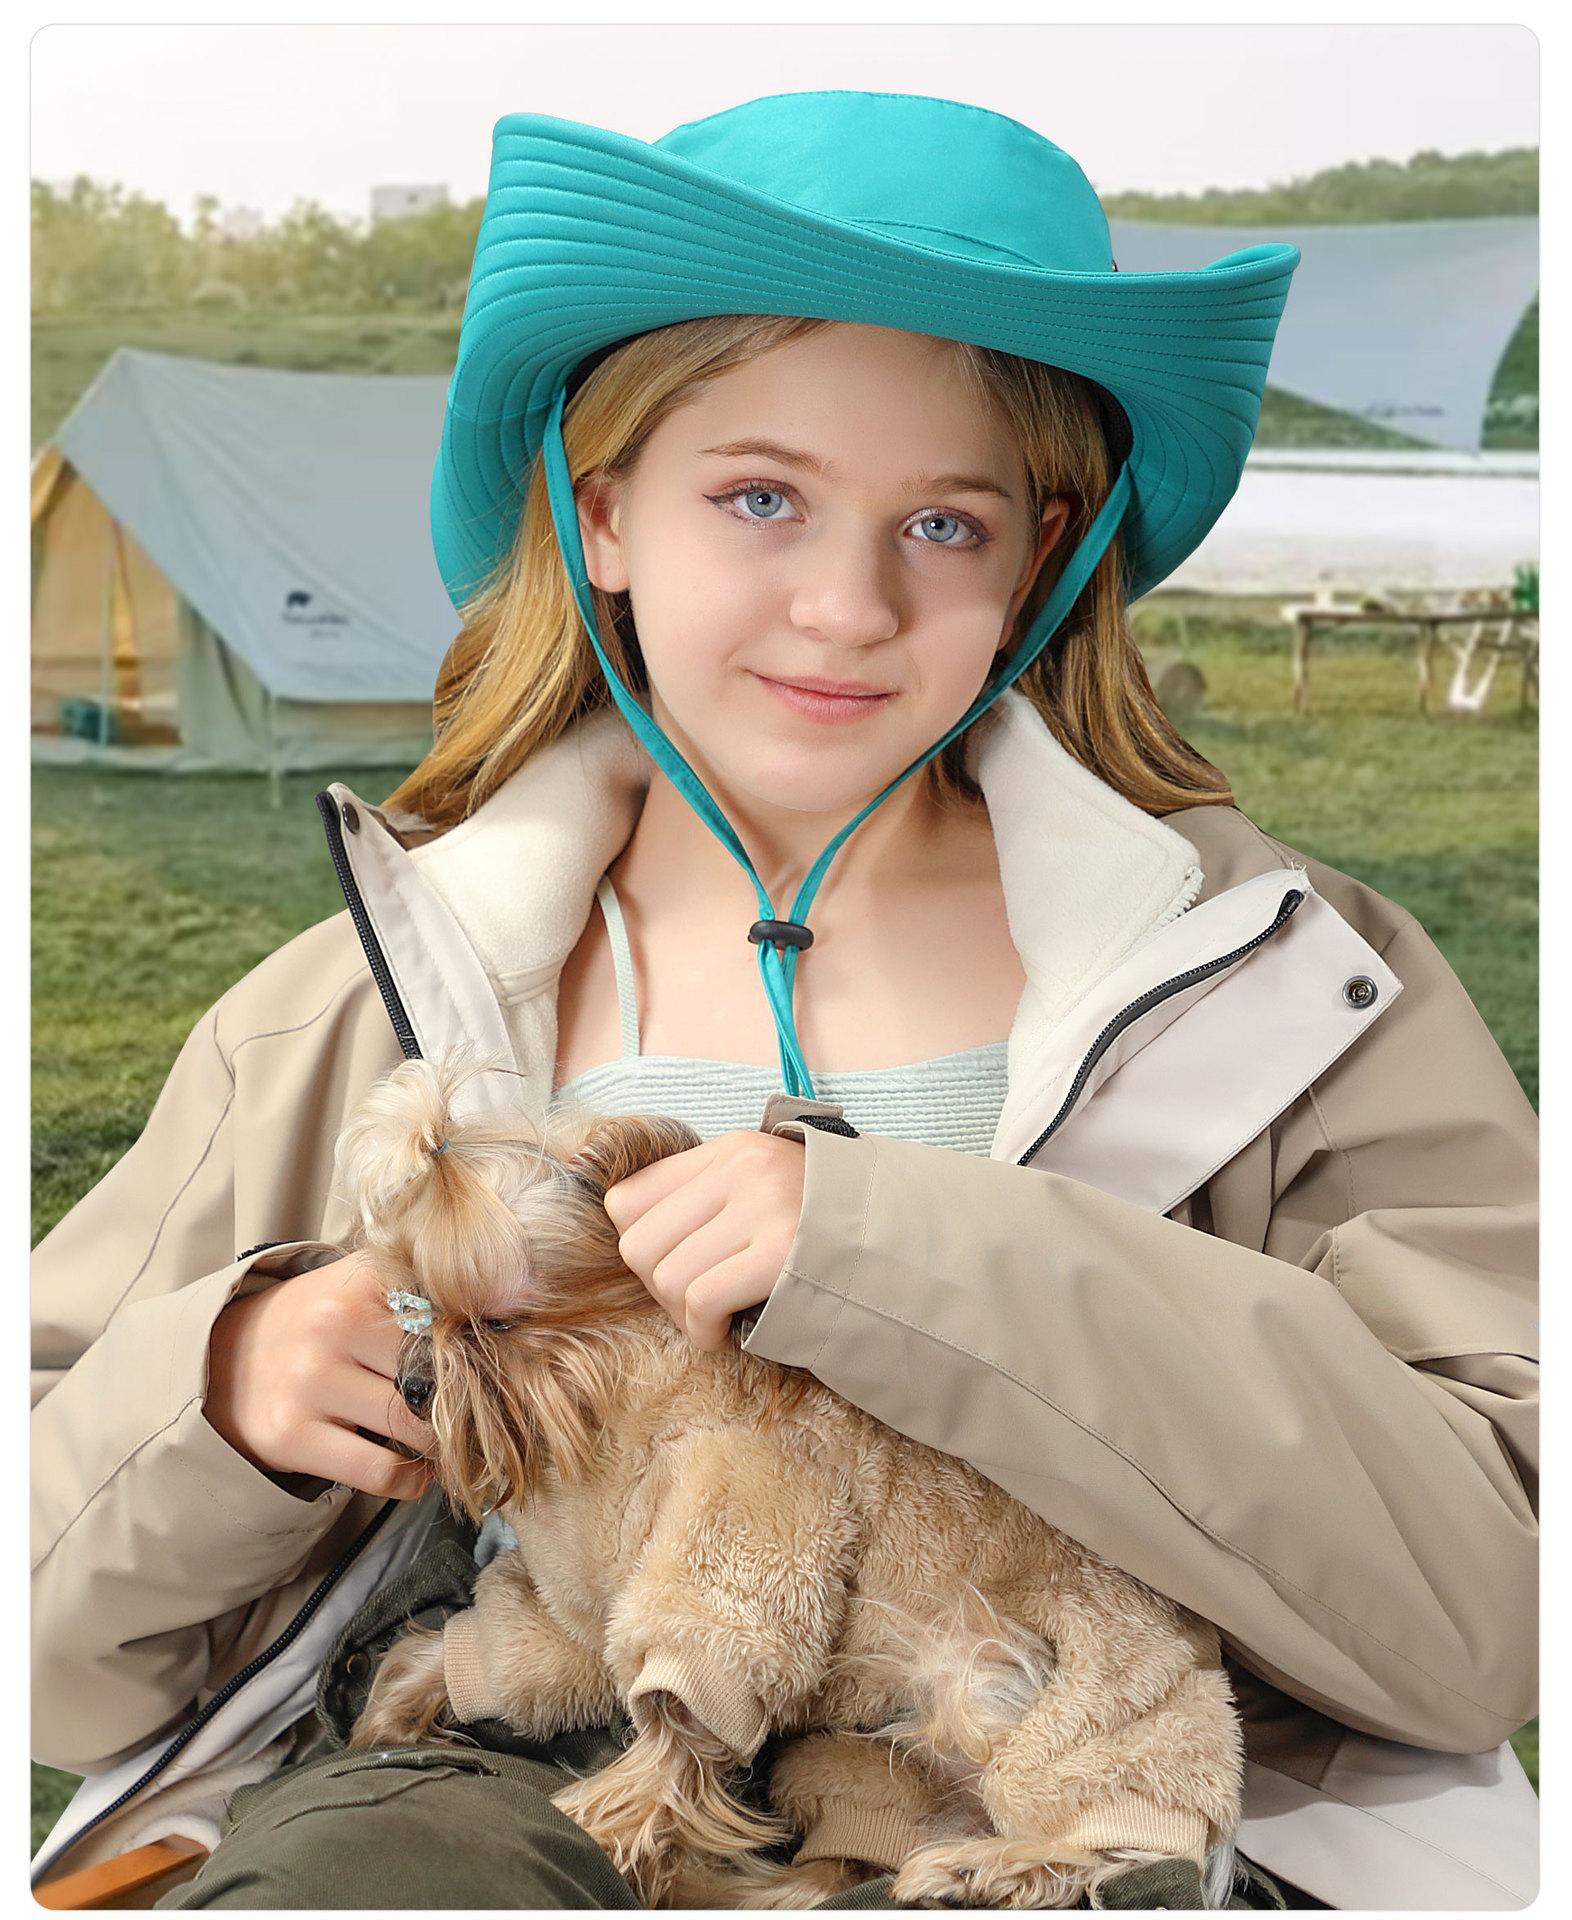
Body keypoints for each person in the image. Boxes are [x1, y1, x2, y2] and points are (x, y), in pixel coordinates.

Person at [30, 91, 1536, 1913]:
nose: (845, 605)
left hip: (1073, 1796)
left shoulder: (1296, 993)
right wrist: (215, 1400)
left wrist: (914, 1260)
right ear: (602, 512)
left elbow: (1491, 1610)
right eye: (760, 497)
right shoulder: (345, 1018)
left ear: (1045, 555)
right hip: (492, 1777)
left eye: (946, 524)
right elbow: (56, 1666)